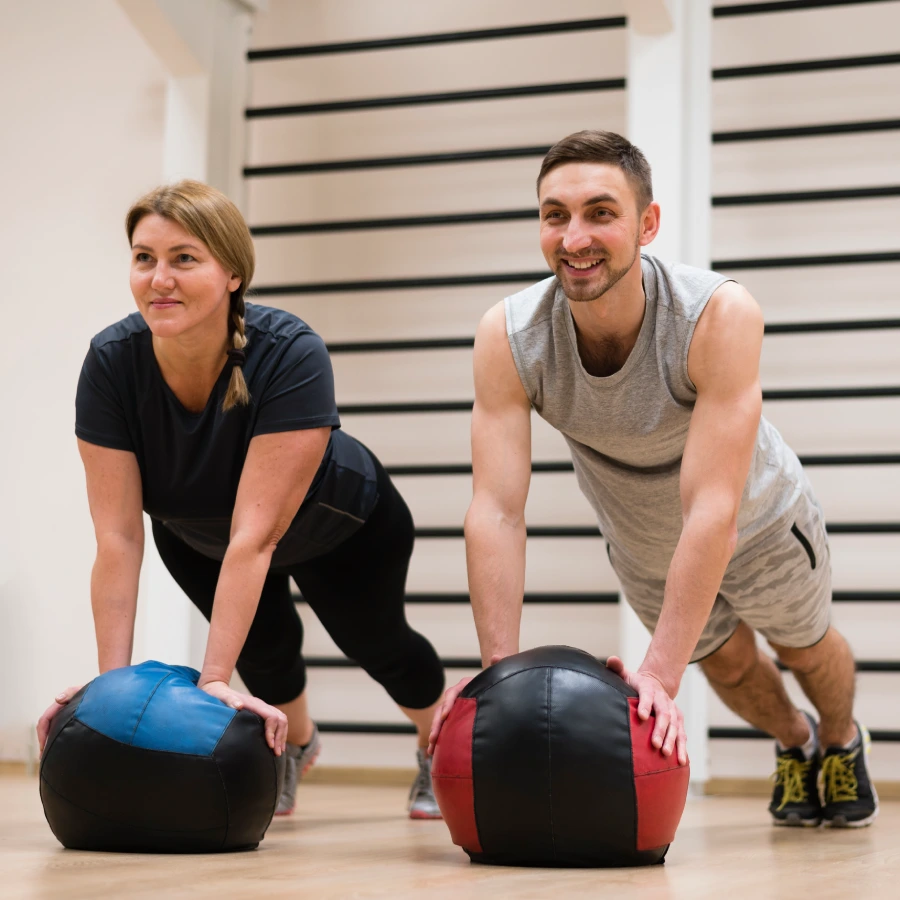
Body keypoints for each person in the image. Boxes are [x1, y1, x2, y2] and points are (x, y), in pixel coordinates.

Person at [429, 130, 877, 829]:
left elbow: (714, 510)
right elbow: (495, 511)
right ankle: (795, 741)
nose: (574, 237)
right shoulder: (510, 336)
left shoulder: (717, 316)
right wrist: (499, 673)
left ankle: (843, 741)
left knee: (803, 645)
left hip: (757, 523)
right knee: (727, 666)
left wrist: (659, 679)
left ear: (647, 223)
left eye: (600, 212)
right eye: (555, 215)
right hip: (641, 543)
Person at [37, 180, 444, 819]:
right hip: (199, 530)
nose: (158, 278)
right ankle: (299, 745)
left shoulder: (289, 352)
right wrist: (109, 693)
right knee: (264, 650)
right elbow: (117, 538)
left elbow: (257, 534)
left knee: (379, 644)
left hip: (339, 522)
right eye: (144, 258)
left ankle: (433, 745)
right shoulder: (112, 361)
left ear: (232, 273)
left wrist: (213, 686)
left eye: (184, 258)